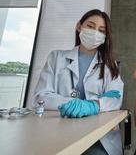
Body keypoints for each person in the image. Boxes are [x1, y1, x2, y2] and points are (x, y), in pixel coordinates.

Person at [33, 9, 124, 155]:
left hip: (99, 139)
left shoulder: (109, 65)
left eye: (101, 30)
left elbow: (115, 98)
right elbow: (41, 97)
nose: (95, 33)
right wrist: (70, 103)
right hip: (58, 131)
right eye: (90, 26)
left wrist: (91, 106)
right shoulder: (56, 57)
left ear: (105, 36)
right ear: (79, 26)